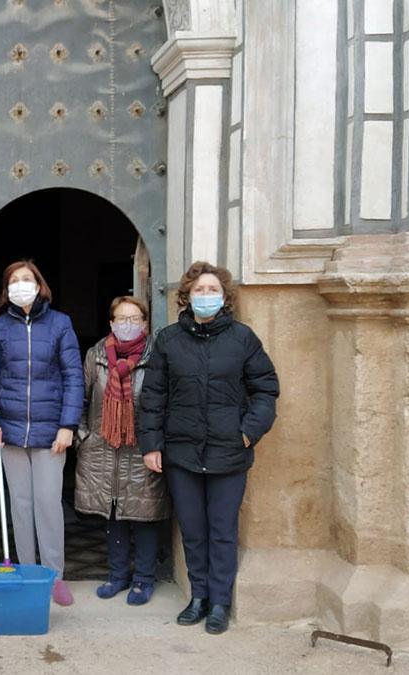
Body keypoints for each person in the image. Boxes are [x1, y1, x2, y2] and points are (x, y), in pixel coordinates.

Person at [136, 261, 280, 635]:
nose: (205, 296)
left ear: (225, 297)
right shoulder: (168, 340)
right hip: (181, 453)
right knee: (193, 529)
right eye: (198, 290)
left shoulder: (242, 339)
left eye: (212, 290)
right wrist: (152, 444)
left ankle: (219, 602)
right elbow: (153, 396)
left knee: (222, 530)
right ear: (186, 297)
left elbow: (265, 388)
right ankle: (198, 596)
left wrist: (248, 431)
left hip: (228, 453)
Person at [0, 260, 84, 607]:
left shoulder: (60, 324)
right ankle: (26, 570)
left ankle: (54, 576)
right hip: (9, 432)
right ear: (6, 290)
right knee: (20, 505)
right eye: (14, 281)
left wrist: (68, 426)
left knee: (48, 504)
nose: (21, 285)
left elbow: (73, 377)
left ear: (39, 285)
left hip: (51, 431)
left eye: (27, 279)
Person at [75, 296, 170, 605]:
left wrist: (157, 443)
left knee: (143, 513)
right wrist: (83, 436)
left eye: (134, 319)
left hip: (141, 448)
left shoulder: (157, 356)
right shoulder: (96, 355)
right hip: (103, 448)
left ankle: (143, 579)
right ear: (111, 323)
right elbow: (81, 399)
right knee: (113, 513)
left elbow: (166, 403)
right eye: (121, 318)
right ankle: (117, 575)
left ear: (145, 323)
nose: (127, 325)